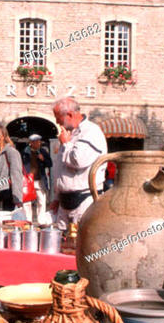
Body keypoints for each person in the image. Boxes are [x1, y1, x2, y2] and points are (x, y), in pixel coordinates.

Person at [49, 97, 108, 230]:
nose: (57, 121)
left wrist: (66, 144)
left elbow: (78, 161)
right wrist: (57, 198)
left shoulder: (91, 132)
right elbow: (62, 170)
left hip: (84, 200)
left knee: (81, 241)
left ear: (69, 114)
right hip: (64, 202)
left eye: (58, 117)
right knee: (62, 242)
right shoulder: (71, 134)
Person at [0, 124, 24, 212]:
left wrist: (17, 198)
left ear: (2, 137)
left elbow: (16, 175)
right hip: (2, 193)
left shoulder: (11, 152)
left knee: (10, 221)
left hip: (10, 193)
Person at [21, 134, 52, 222]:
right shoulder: (25, 152)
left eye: (39, 141)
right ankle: (28, 220)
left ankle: (41, 220)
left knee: (41, 200)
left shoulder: (43, 151)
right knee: (27, 202)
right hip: (28, 180)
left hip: (40, 179)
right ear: (31, 143)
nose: (38, 143)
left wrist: (43, 159)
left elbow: (50, 164)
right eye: (36, 142)